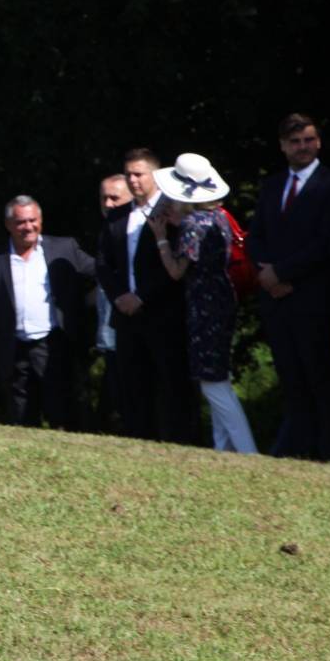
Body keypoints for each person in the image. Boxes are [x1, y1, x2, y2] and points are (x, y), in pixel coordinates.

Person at [244, 114, 330, 460]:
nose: (302, 147)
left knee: (321, 380)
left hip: (313, 297)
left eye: (309, 140)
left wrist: (284, 273)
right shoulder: (272, 186)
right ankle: (298, 452)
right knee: (291, 378)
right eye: (295, 141)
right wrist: (266, 273)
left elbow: (327, 241)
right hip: (277, 300)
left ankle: (329, 453)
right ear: (283, 146)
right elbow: (255, 235)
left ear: (317, 142)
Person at [147, 153, 257, 454]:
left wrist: (160, 238)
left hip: (205, 306)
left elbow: (176, 270)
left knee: (213, 384)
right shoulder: (219, 216)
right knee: (218, 379)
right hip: (223, 301)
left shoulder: (193, 224)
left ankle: (248, 453)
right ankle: (224, 449)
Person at [0, 195, 97, 429]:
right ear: (8, 225)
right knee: (20, 413)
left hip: (53, 344)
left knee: (60, 410)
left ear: (41, 221)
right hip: (13, 348)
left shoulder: (64, 248)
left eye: (32, 220)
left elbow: (100, 273)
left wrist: (84, 306)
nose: (28, 227)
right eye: (21, 222)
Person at [97, 148, 194, 443]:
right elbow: (103, 262)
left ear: (154, 174)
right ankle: (139, 440)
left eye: (139, 174)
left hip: (162, 312)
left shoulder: (172, 212)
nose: (133, 180)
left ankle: (182, 442)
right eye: (128, 175)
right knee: (133, 385)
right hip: (125, 314)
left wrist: (142, 296)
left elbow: (174, 267)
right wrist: (120, 297)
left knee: (172, 382)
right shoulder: (116, 216)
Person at [93, 175, 133, 431]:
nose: (108, 203)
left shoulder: (134, 232)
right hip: (110, 334)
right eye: (104, 198)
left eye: (115, 198)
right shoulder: (107, 233)